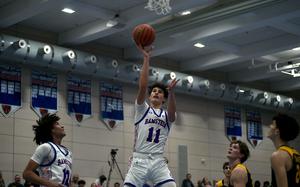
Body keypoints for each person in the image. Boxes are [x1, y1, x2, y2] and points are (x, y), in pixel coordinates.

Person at [123, 44, 179, 187]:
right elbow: (142, 86)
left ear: (164, 99)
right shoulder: (143, 109)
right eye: (153, 91)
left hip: (158, 161)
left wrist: (172, 92)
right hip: (139, 160)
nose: (156, 93)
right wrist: (146, 58)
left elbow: (173, 116)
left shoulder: (167, 116)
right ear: (149, 96)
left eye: (160, 92)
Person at [23, 113, 72, 187]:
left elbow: (68, 179)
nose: (62, 126)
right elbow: (27, 174)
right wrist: (51, 184)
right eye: (57, 124)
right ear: (51, 130)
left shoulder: (68, 152)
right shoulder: (46, 147)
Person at [267, 113, 300, 187]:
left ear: (277, 131)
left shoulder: (278, 156)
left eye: (272, 124)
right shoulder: (295, 153)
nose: (270, 126)